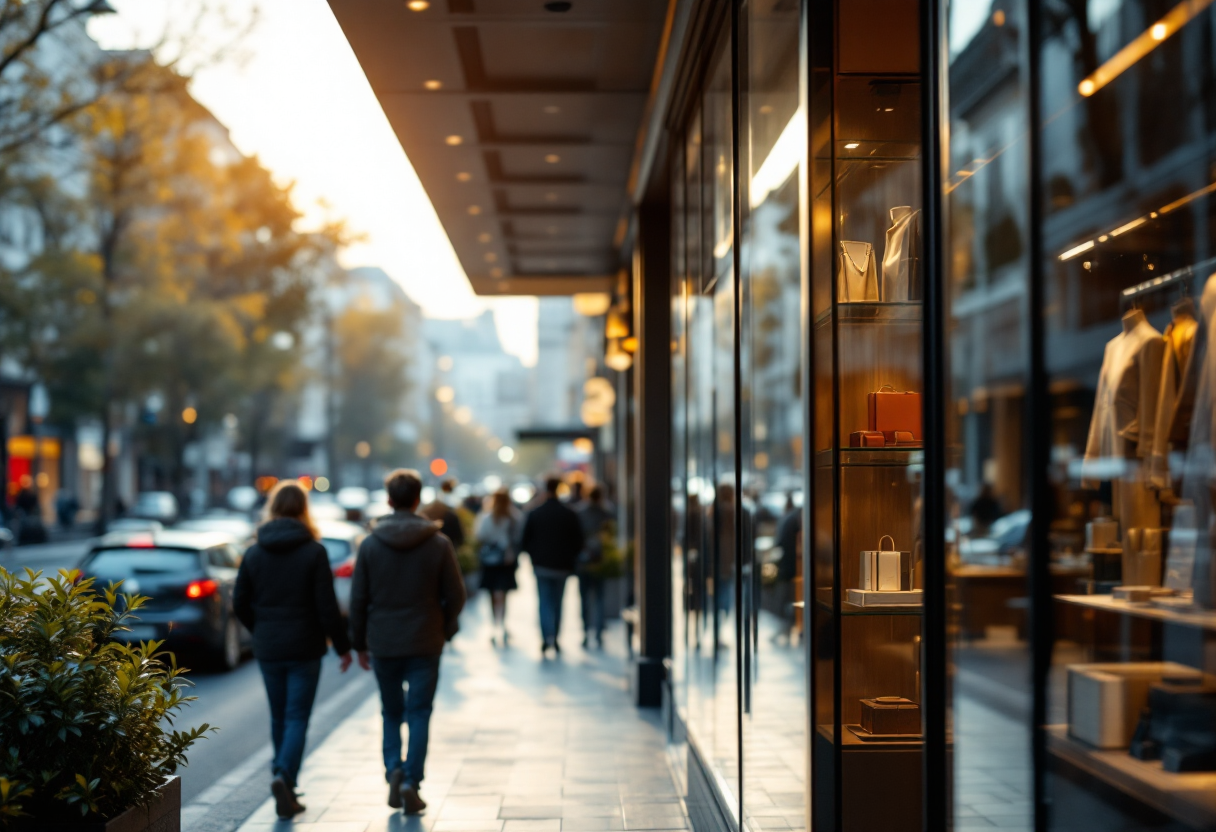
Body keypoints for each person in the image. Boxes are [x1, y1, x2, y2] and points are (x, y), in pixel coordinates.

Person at [233, 480, 352, 820]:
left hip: (269, 646)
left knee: (279, 715)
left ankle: (282, 775)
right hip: (305, 646)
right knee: (298, 716)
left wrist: (260, 629)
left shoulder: (254, 552)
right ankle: (285, 777)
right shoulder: (314, 551)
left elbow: (239, 601)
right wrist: (342, 646)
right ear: (303, 509)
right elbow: (327, 606)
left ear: (272, 508)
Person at [350, 469, 466, 815]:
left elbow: (358, 600)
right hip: (426, 638)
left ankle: (393, 771)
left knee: (391, 712)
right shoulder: (438, 543)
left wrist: (359, 643)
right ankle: (411, 781)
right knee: (419, 712)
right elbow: (456, 595)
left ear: (389, 500)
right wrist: (445, 626)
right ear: (417, 499)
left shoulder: (370, 545)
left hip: (384, 640)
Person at [519, 474, 584, 656]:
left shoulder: (535, 513)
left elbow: (524, 541)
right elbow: (578, 541)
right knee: (558, 602)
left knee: (544, 601)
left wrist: (534, 556)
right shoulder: (569, 513)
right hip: (562, 565)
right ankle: (554, 636)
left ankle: (546, 636)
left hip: (542, 565)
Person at [474, 487, 522, 646]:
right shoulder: (514, 517)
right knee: (504, 594)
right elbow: (519, 538)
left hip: (490, 560)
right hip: (507, 560)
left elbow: (479, 535)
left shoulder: (486, 517)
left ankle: (495, 625)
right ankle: (503, 624)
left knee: (492, 595)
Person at [576, 485, 613, 649]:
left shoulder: (580, 513)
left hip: (584, 561)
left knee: (585, 598)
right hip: (599, 560)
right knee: (599, 597)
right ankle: (598, 632)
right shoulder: (606, 513)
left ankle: (586, 631)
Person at [420, 478, 465, 552]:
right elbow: (460, 539)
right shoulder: (452, 513)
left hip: (426, 552)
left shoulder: (426, 511)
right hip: (446, 551)